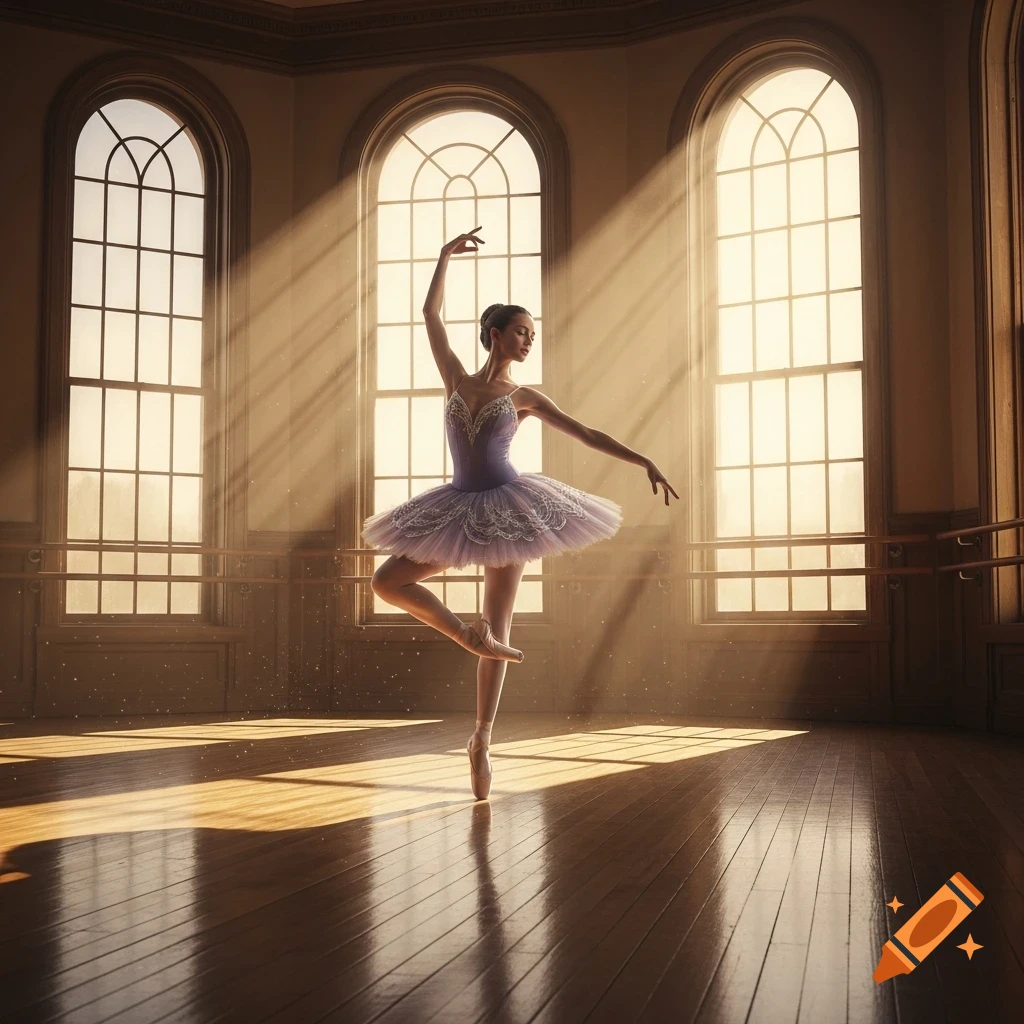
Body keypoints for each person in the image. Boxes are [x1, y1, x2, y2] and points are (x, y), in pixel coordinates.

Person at [363, 227, 679, 799]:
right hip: (456, 506)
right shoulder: (457, 378)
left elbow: (584, 432)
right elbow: (429, 314)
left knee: (501, 625)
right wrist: (441, 257)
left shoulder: (527, 396)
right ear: (495, 335)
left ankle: (481, 738)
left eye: (532, 336)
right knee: (387, 580)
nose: (529, 342)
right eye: (521, 333)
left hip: (510, 508)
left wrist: (643, 460)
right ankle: (467, 637)